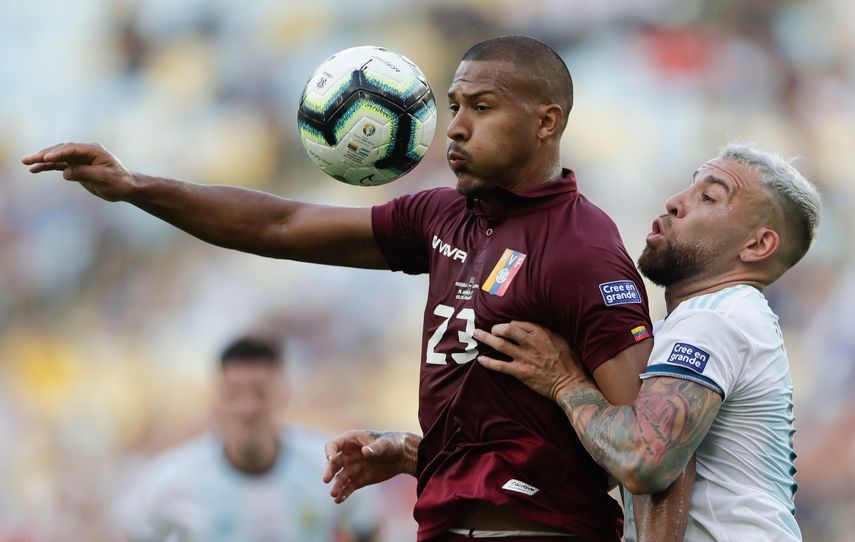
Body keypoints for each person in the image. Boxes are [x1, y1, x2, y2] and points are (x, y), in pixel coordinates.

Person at [24, 36, 684, 541]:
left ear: (546, 122)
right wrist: (134, 186)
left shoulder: (582, 250)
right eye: (455, 106)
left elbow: (648, 454)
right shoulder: (443, 216)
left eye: (481, 108)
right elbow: (282, 225)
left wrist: (567, 383)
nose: (455, 127)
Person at [470, 144, 820, 541]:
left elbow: (643, 461)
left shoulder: (716, 317)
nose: (674, 202)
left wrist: (565, 382)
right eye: (690, 187)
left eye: (708, 197)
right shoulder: (724, 316)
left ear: (757, 245)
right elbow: (612, 461)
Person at [117, 335, 383, 542]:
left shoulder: (327, 466)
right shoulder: (171, 479)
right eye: (233, 394)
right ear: (216, 399)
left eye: (260, 393)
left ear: (284, 395)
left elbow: (368, 528)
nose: (247, 408)